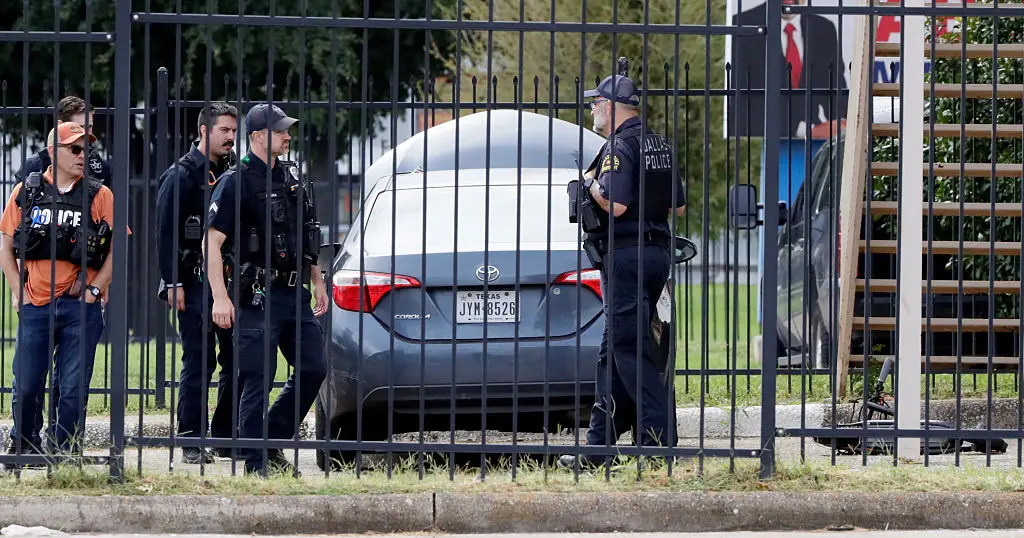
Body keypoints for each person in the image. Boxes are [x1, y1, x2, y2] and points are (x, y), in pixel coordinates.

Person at [559, 71, 686, 470]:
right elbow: (678, 205)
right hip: (656, 255)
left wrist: (591, 183)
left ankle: (658, 445)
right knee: (611, 354)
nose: (592, 109)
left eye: (596, 103)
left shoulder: (617, 147)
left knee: (631, 352)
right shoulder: (658, 144)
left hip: (627, 257)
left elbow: (614, 204)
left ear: (611, 107)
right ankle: (598, 451)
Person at [204, 103, 328, 476]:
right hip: (256, 294)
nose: (287, 135)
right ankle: (256, 463)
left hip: (294, 294)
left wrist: (318, 279)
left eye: (287, 130)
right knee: (257, 375)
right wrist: (220, 298)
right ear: (258, 136)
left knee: (313, 367)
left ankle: (268, 439)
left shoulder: (292, 177)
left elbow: (304, 236)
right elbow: (211, 243)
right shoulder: (235, 182)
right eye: (279, 131)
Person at [0, 122, 122, 470]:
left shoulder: (100, 194)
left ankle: (65, 451)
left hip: (78, 307)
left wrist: (96, 288)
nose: (84, 156)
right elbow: (6, 245)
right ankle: (24, 446)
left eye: (87, 150)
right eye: (76, 149)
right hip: (35, 303)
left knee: (71, 389)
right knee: (26, 384)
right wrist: (16, 290)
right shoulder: (29, 190)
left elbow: (119, 247)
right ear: (54, 152)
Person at [156, 102, 240, 464]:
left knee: (237, 358)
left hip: (228, 282)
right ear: (204, 131)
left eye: (234, 131)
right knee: (199, 361)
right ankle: (191, 438)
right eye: (224, 130)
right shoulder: (182, 175)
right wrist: (172, 282)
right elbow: (164, 233)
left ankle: (224, 435)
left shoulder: (232, 172)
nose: (231, 138)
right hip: (191, 282)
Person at [729, 0, 848, 139]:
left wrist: (842, 124)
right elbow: (740, 100)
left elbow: (835, 88)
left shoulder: (824, 28)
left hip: (814, 144)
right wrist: (805, 130)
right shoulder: (741, 25)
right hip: (760, 141)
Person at [15, 96, 113, 187]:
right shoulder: (35, 165)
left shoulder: (99, 167)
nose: (86, 133)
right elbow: (17, 204)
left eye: (89, 126)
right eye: (80, 127)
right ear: (60, 125)